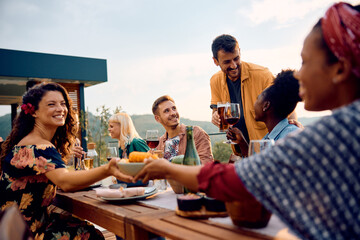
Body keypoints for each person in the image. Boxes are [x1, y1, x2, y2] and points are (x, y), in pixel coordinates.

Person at [135, 2, 360, 239]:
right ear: (216, 62)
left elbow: (240, 179)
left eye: (305, 62)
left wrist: (165, 168)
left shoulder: (331, 134)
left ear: (340, 69)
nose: (298, 74)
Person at [0, 82, 133, 239]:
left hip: (11, 227)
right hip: (23, 233)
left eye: (63, 103)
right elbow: (66, 182)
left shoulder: (29, 141)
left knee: (81, 225)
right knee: (89, 234)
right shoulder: (39, 146)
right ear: (34, 112)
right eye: (51, 104)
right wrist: (107, 169)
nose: (60, 109)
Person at [227, 69, 302, 157]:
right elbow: (256, 166)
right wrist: (242, 142)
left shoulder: (290, 137)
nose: (253, 105)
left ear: (266, 106)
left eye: (257, 99)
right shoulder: (269, 137)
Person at [152, 95, 213, 164]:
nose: (173, 113)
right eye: (166, 111)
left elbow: (206, 165)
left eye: (174, 108)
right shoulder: (159, 143)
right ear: (157, 119)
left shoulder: (196, 133)